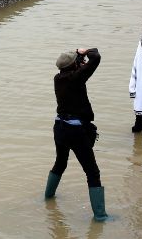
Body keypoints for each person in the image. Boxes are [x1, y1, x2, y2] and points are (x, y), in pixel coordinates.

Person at [44, 47, 108, 222]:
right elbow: (96, 57)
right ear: (74, 66)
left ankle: (48, 198)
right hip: (75, 131)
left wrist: (78, 56)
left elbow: (77, 65)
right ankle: (101, 217)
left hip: (59, 127)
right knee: (92, 172)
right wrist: (86, 50)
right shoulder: (76, 78)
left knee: (60, 163)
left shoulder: (58, 78)